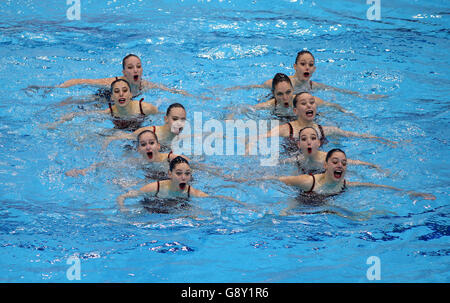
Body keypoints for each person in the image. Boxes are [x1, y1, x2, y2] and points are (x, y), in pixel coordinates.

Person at [241, 149, 435, 204]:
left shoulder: (345, 184)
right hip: (299, 204)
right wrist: (240, 180)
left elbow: (375, 187)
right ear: (325, 165)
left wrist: (410, 192)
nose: (340, 165)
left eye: (343, 163)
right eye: (335, 162)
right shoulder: (309, 180)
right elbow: (276, 180)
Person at [247, 92, 396, 154]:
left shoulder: (325, 130)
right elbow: (259, 138)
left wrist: (379, 140)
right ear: (295, 111)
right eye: (304, 103)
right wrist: (249, 148)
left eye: (312, 103)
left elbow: (352, 135)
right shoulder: (286, 129)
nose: (309, 106)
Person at [27, 54, 207, 104]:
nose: (135, 70)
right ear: (124, 71)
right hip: (105, 97)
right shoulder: (113, 82)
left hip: (122, 104)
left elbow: (171, 90)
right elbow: (82, 81)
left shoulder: (146, 85)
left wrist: (197, 97)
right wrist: (56, 87)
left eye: (138, 66)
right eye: (130, 67)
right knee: (82, 102)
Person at [227, 50, 386, 100]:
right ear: (295, 67)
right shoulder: (283, 83)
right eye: (303, 64)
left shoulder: (312, 86)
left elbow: (338, 91)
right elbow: (254, 87)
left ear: (314, 69)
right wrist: (227, 91)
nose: (307, 68)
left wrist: (365, 96)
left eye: (310, 65)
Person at [117, 156, 245, 213]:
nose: (184, 177)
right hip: (151, 208)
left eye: (187, 173)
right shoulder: (154, 188)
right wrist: (123, 209)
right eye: (178, 173)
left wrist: (244, 205)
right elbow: (123, 197)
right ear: (170, 174)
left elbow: (217, 198)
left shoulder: (190, 192)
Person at [65, 129, 188, 178]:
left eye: (151, 143)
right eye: (143, 145)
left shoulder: (171, 159)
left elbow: (195, 167)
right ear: (138, 149)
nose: (148, 147)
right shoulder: (137, 162)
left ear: (159, 146)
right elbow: (108, 164)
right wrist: (83, 171)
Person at [227, 73, 353, 120]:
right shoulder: (271, 105)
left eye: (288, 92)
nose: (285, 98)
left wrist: (347, 112)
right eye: (280, 94)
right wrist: (230, 118)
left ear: (293, 90)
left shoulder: (303, 100)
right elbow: (243, 108)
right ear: (274, 95)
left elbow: (330, 105)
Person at [45, 79, 158, 131]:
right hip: (119, 133)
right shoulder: (110, 112)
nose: (121, 94)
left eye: (124, 90)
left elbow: (160, 119)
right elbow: (77, 114)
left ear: (130, 94)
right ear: (112, 97)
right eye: (117, 92)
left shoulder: (146, 108)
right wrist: (57, 122)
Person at [281, 126, 383, 174]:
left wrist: (374, 166)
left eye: (313, 138)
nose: (309, 142)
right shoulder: (297, 160)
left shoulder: (329, 159)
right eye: (304, 139)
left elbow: (353, 163)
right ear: (298, 145)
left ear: (319, 143)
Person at [102, 102, 187, 150]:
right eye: (175, 119)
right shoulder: (149, 132)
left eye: (182, 120)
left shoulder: (181, 140)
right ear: (166, 119)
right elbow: (121, 138)